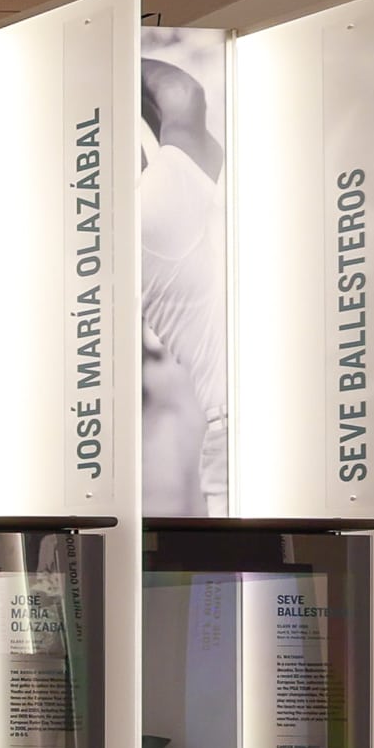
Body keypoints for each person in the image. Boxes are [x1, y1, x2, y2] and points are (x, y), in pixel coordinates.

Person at [139, 65, 224, 516]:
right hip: (249, 435)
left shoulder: (175, 201)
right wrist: (108, 64)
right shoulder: (158, 210)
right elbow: (182, 91)